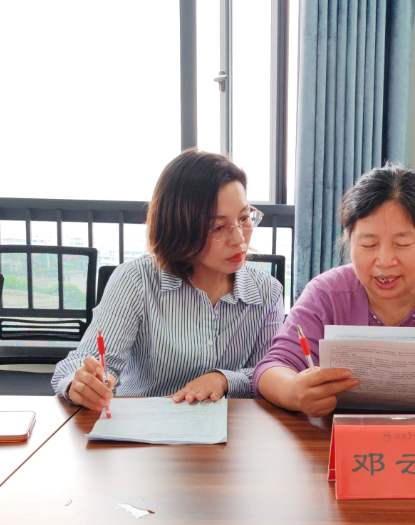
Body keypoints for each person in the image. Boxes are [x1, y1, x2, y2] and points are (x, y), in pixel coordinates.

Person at [254, 164, 415, 418]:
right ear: (350, 242)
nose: (385, 261)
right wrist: (294, 391)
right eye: (368, 244)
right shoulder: (326, 293)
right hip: (341, 436)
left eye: (402, 243)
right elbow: (271, 369)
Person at [51, 150, 284, 410]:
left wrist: (223, 379)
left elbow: (270, 373)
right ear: (180, 228)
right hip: (144, 426)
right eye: (218, 227)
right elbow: (84, 362)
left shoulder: (267, 291)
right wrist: (80, 384)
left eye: (244, 218)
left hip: (231, 428)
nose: (239, 239)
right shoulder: (136, 281)